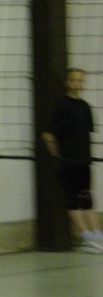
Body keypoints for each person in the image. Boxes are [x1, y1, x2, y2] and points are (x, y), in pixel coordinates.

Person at [42, 67, 103, 253]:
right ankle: (86, 238)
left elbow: (86, 134)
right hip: (68, 161)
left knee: (87, 199)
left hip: (84, 161)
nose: (77, 83)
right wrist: (58, 155)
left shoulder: (85, 107)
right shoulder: (60, 105)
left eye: (80, 80)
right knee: (72, 201)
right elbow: (47, 134)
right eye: (74, 80)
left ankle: (97, 236)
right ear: (67, 82)